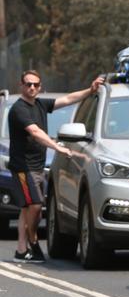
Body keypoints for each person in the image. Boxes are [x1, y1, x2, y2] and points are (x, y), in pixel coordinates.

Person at [9, 70, 104, 263]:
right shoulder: (19, 109)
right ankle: (34, 243)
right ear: (21, 86)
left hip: (36, 166)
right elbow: (35, 132)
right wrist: (56, 147)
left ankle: (21, 249)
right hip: (23, 167)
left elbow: (68, 99)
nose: (32, 88)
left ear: (40, 87)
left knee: (27, 207)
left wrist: (90, 90)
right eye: (28, 84)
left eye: (35, 84)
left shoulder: (40, 104)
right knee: (35, 205)